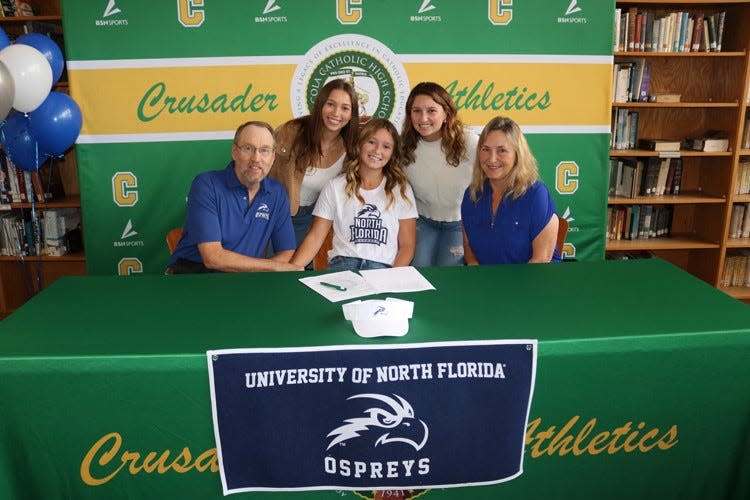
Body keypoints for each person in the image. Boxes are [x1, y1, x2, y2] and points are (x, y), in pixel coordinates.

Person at [167, 121, 302, 273]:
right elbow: (213, 258)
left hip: (245, 280)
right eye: (248, 148)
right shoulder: (206, 184)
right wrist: (272, 267)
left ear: (273, 157)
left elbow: (286, 251)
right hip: (194, 276)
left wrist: (260, 274)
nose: (256, 158)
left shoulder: (277, 193)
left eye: (264, 150)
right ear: (234, 152)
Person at [291, 118, 417, 271]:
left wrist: (391, 277)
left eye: (386, 147)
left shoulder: (401, 190)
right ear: (360, 144)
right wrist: (291, 270)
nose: (377, 151)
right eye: (371, 142)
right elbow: (316, 236)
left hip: (382, 269)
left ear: (392, 154)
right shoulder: (335, 186)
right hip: (343, 265)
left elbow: (407, 246)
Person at [269, 78, 359, 248]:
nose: (336, 113)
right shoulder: (291, 131)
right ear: (320, 105)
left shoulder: (351, 147)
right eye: (330, 104)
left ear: (352, 114)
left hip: (314, 219)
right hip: (277, 214)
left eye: (345, 108)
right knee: (277, 269)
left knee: (303, 268)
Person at [461, 116, 560, 265]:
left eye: (502, 150)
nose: (492, 159)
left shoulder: (536, 195)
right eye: (485, 149)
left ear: (517, 155)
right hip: (487, 283)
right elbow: (470, 254)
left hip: (534, 282)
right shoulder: (471, 194)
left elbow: (540, 261)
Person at [401, 81, 478, 267]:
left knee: (448, 276)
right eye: (416, 110)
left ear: (446, 114)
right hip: (423, 223)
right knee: (419, 271)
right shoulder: (404, 146)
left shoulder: (468, 142)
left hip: (459, 225)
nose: (423, 117)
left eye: (431, 111)